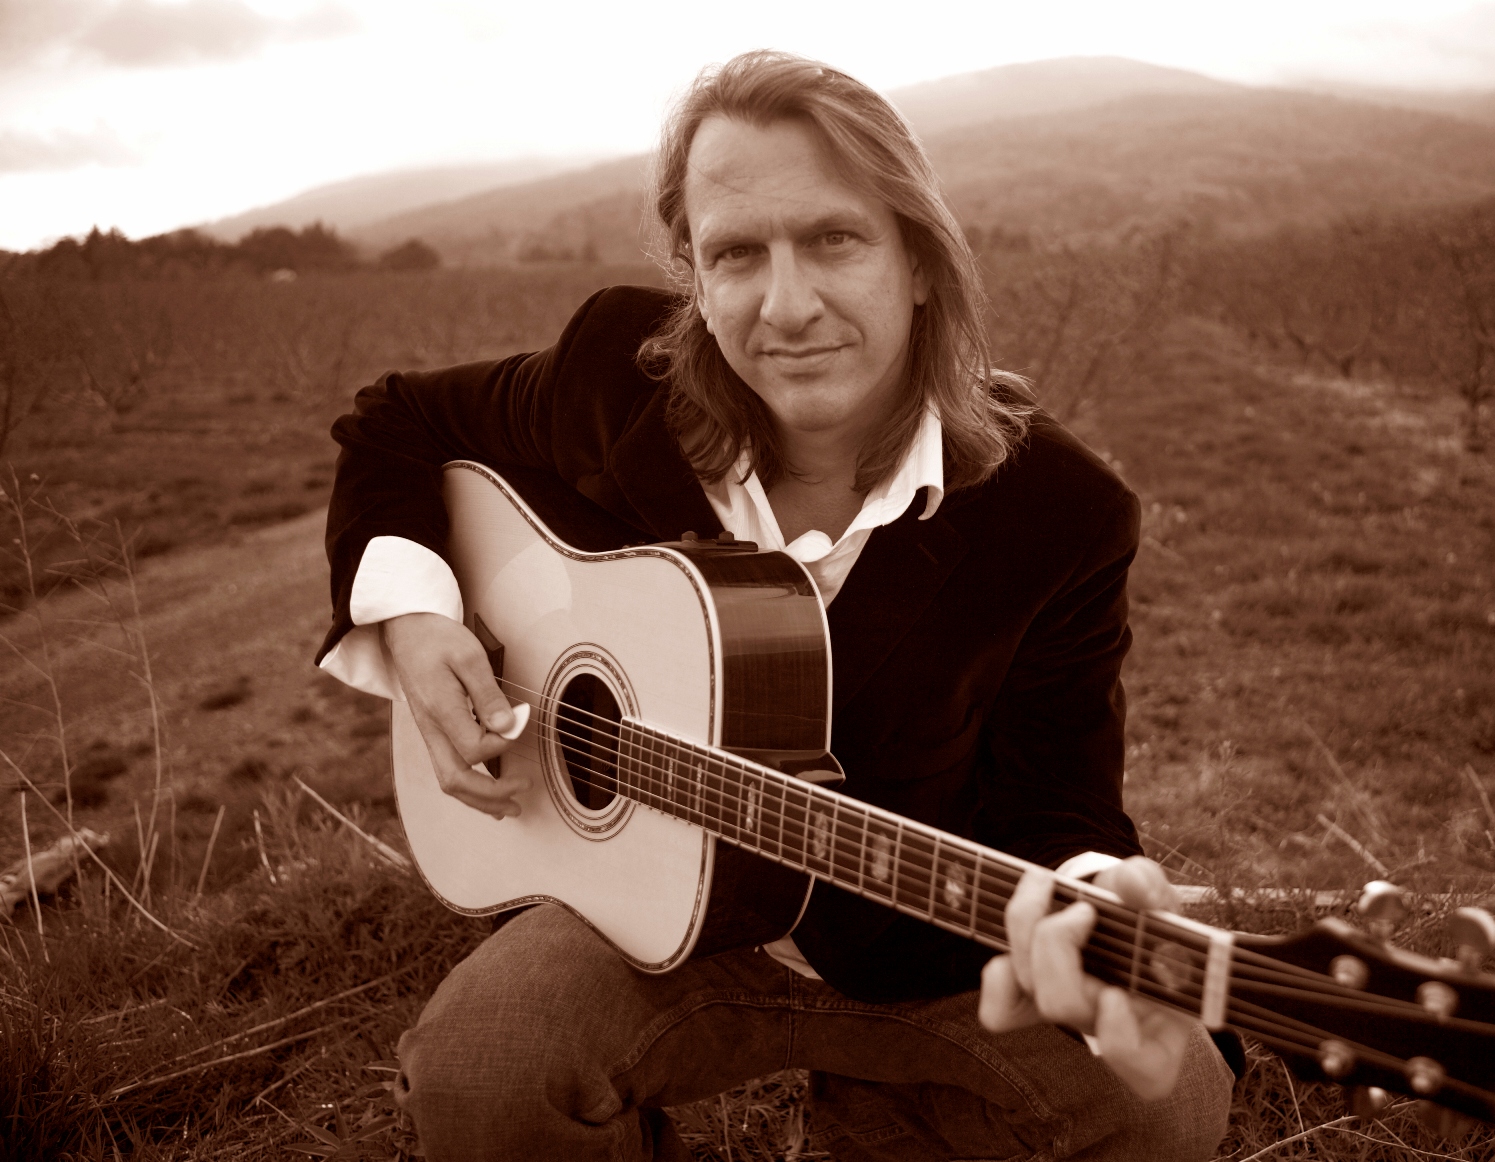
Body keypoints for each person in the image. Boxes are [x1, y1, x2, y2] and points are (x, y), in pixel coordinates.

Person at [317, 50, 1237, 1162]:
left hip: (930, 951)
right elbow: (399, 423)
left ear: (918, 261)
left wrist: (1093, 897)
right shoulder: (620, 374)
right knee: (479, 1066)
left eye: (834, 239)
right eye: (737, 254)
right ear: (694, 279)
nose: (785, 305)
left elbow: (1061, 801)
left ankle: (892, 1109)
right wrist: (418, 622)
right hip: (659, 925)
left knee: (1165, 1103)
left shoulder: (1060, 511)